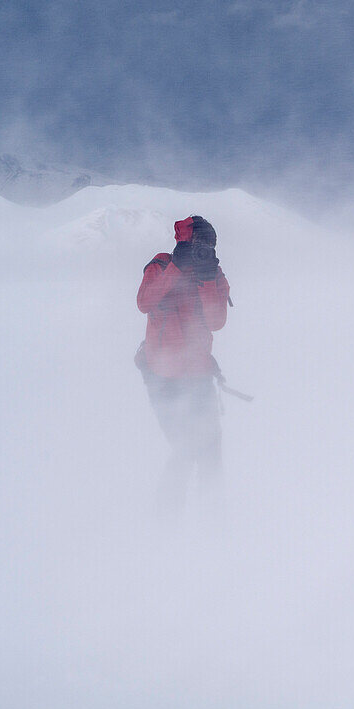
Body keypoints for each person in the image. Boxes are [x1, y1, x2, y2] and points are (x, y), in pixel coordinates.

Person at [136, 215, 231, 515]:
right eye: (198, 244)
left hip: (199, 375)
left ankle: (211, 516)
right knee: (186, 449)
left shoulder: (213, 274)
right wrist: (177, 267)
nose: (204, 250)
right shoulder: (161, 266)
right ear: (183, 244)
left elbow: (217, 322)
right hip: (161, 377)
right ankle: (165, 520)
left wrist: (204, 277)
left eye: (209, 245)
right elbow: (144, 302)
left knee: (211, 449)